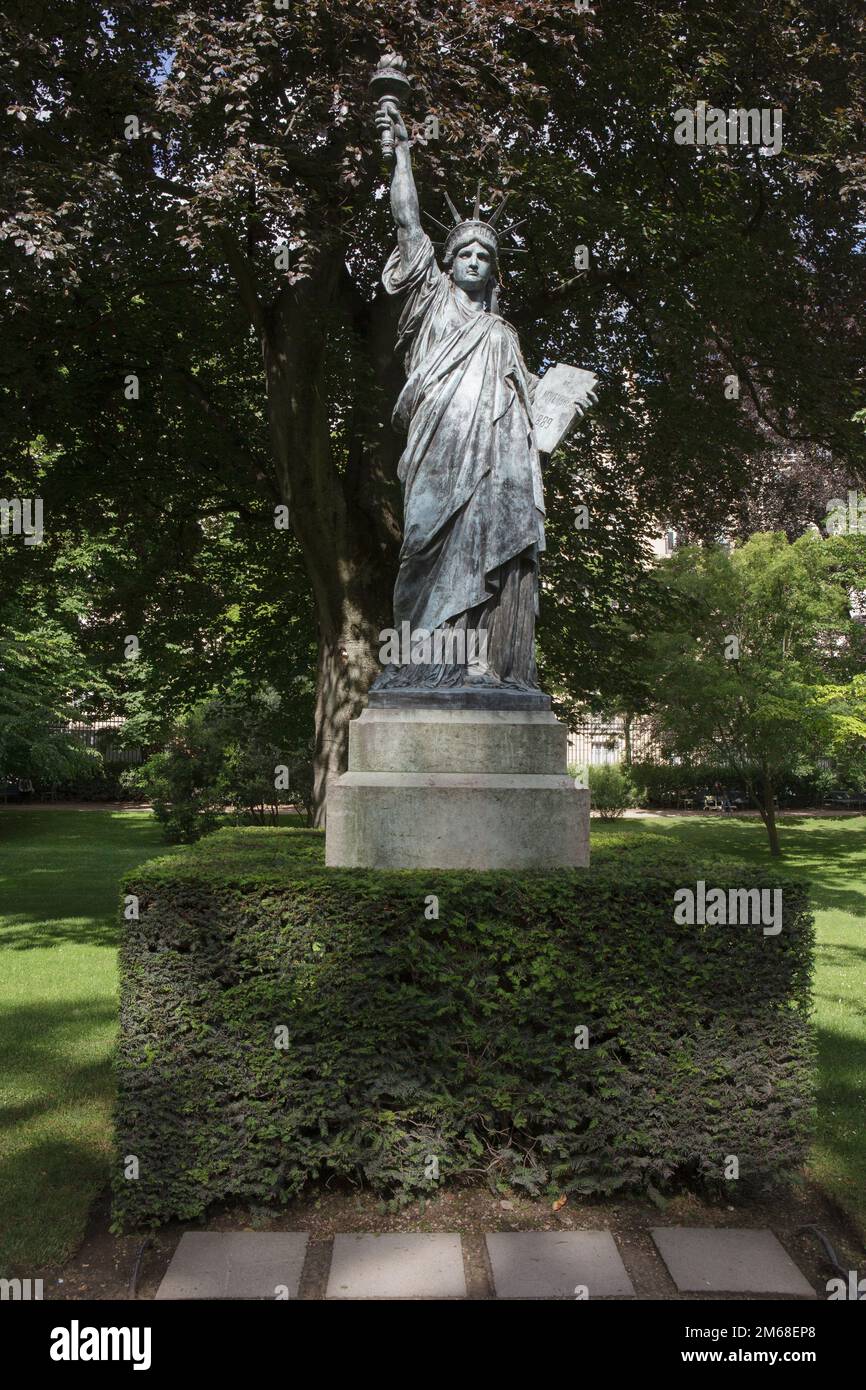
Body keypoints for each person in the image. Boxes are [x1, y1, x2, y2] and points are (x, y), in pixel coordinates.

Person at [371, 99, 554, 693]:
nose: (474, 261)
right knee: (422, 547)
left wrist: (558, 410)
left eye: (485, 256)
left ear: (495, 271)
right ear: (447, 264)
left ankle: (479, 662)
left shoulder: (504, 334)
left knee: (485, 548)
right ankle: (415, 662)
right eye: (465, 254)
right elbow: (407, 222)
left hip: (495, 465)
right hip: (437, 449)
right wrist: (400, 152)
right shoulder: (430, 298)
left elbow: (528, 408)